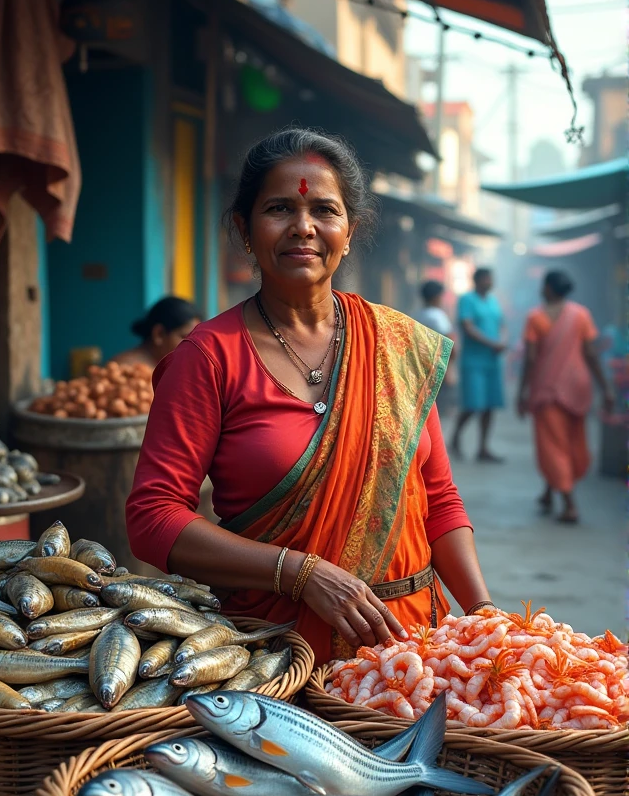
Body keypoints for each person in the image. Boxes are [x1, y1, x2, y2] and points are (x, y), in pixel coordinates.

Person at [126, 127, 495, 666]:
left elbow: (438, 500)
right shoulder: (208, 358)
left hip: (413, 655)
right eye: (278, 208)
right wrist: (298, 572)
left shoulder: (397, 345)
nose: (304, 228)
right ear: (243, 229)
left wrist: (486, 616)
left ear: (350, 229)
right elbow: (153, 518)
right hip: (276, 661)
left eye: (325, 210)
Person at [517, 270, 613, 524]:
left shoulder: (535, 317)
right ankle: (549, 493)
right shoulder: (581, 314)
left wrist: (522, 391)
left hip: (547, 390)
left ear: (549, 288)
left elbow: (530, 358)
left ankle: (570, 505)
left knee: (553, 446)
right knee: (571, 441)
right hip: (577, 387)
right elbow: (591, 354)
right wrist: (606, 388)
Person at [450, 267, 506, 462]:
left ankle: (483, 447)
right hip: (474, 360)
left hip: (493, 361)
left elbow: (502, 324)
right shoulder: (467, 300)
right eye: (486, 279)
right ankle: (455, 437)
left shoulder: (493, 301)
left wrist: (503, 341)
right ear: (478, 280)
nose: (489, 283)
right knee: (473, 404)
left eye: (491, 279)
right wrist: (493, 343)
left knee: (490, 405)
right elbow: (467, 326)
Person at [114, 296, 201, 370]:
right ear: (159, 334)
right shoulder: (126, 369)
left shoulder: (168, 368)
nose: (194, 347)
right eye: (186, 338)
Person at [417, 280, 457, 416]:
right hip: (439, 365)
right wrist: (450, 367)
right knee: (439, 409)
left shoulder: (419, 315)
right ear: (436, 297)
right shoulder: (438, 316)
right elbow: (450, 340)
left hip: (424, 366)